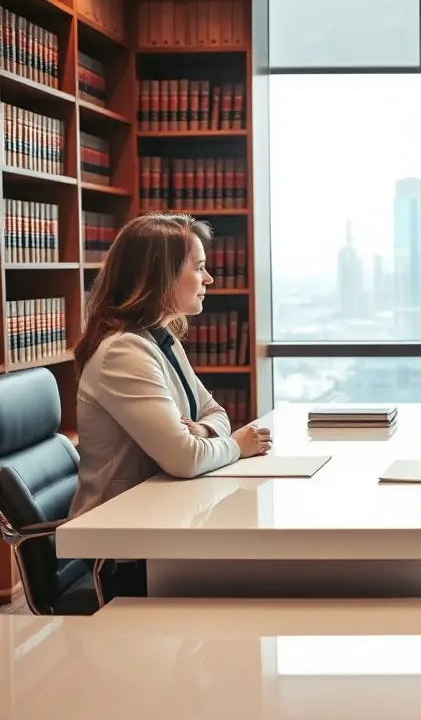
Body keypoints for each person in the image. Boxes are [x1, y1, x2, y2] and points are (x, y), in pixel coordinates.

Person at [70, 213, 272, 596]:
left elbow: (216, 412)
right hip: (119, 551)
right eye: (198, 268)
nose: (208, 279)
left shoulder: (160, 338)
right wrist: (236, 446)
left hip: (155, 524)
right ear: (161, 276)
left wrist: (203, 431)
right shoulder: (124, 351)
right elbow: (185, 459)